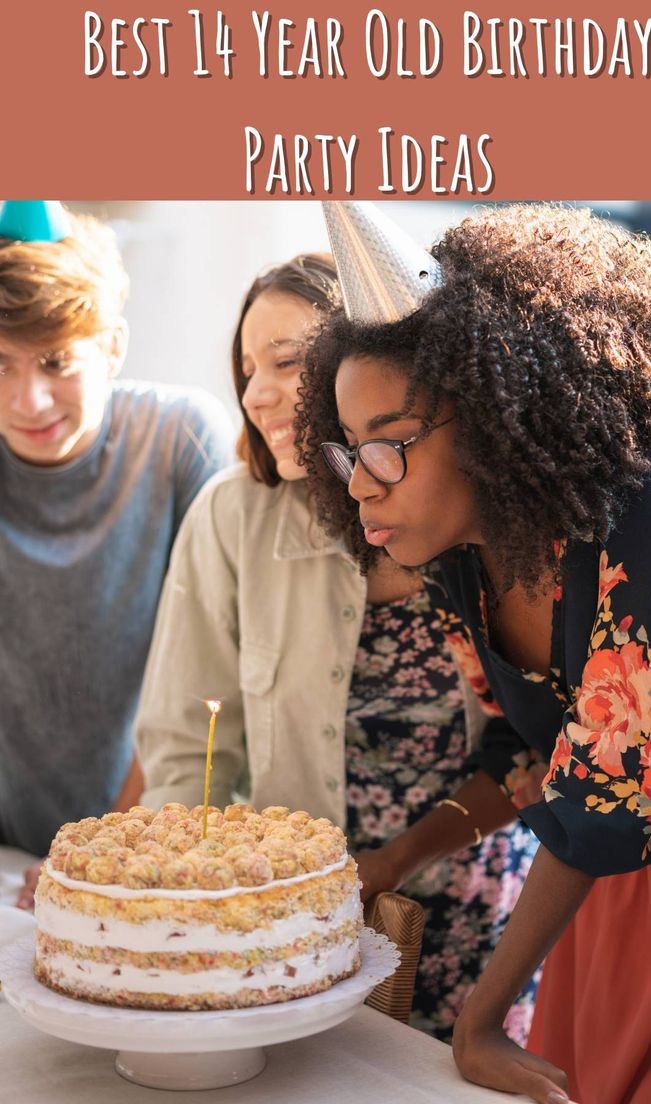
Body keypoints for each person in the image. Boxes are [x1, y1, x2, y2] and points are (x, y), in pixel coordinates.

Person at [298, 202, 651, 1104]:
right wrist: (386, 863)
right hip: (593, 903)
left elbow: (608, 796)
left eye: (390, 447)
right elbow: (523, 762)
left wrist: (479, 1019)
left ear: (497, 418)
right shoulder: (459, 549)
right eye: (351, 454)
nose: (364, 485)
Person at [134, 252, 540, 1042]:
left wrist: (398, 862)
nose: (253, 394)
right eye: (245, 368)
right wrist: (193, 925)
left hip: (475, 918)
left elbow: (531, 744)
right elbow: (188, 751)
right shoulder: (231, 516)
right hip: (290, 923)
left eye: (284, 363)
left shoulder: (474, 515)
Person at [0, 202, 234, 904]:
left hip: (158, 844)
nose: (29, 399)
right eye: (0, 365)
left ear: (112, 347)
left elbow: (210, 670)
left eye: (56, 361)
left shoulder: (178, 439)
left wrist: (109, 850)